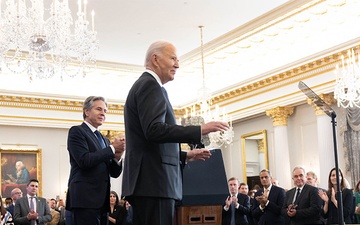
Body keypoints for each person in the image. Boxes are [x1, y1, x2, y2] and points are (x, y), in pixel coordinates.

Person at [121, 41, 229, 225]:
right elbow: (154, 130)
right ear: (155, 59)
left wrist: (185, 156)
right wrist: (200, 129)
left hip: (150, 184)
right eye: (173, 58)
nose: (177, 64)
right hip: (155, 184)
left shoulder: (145, 85)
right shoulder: (150, 85)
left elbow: (152, 145)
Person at [66, 96, 126, 225]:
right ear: (87, 111)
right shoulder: (77, 131)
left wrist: (117, 156)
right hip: (84, 199)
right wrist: (112, 148)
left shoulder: (104, 139)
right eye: (99, 109)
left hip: (102, 201)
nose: (103, 113)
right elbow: (84, 160)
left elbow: (114, 173)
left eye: (105, 111)